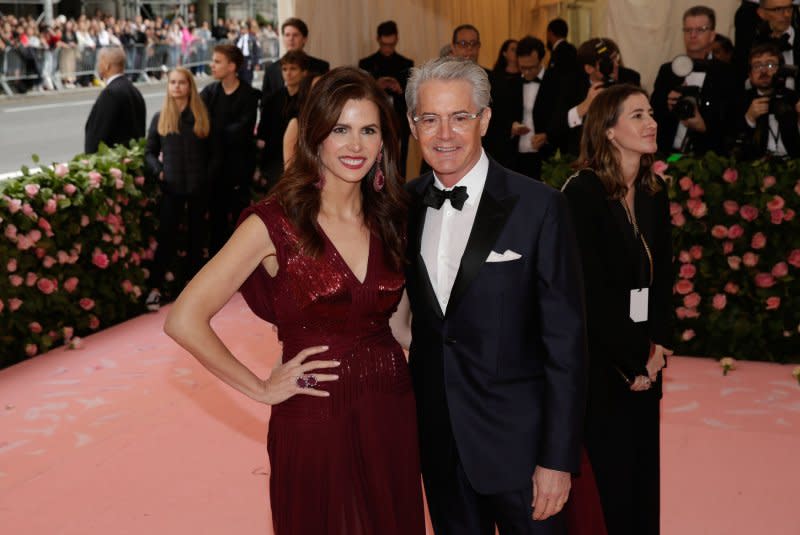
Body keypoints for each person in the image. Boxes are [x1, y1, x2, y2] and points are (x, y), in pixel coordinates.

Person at [165, 66, 424, 534]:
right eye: (340, 129)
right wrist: (259, 388)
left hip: (391, 412)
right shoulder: (274, 224)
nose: (355, 145)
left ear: (384, 141)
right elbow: (184, 318)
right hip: (315, 416)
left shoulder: (392, 219)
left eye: (368, 130)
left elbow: (401, 327)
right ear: (315, 136)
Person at [400, 56, 587, 535]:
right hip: (440, 450)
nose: (445, 134)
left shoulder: (540, 207)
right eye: (430, 119)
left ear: (484, 120)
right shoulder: (402, 208)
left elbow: (566, 345)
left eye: (460, 117)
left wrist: (557, 459)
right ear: (412, 124)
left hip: (522, 452)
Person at [561, 84, 673, 535]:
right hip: (600, 364)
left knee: (643, 479)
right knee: (607, 483)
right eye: (637, 115)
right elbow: (586, 293)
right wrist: (632, 363)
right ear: (608, 131)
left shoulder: (652, 190)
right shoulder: (581, 194)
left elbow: (663, 274)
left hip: (648, 356)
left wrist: (660, 345)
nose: (651, 122)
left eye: (650, 113)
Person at [144, 67, 210, 311]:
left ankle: (193, 291)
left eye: (182, 82)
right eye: (172, 82)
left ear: (189, 86)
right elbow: (149, 152)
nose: (177, 87)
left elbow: (213, 154)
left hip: (197, 188)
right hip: (171, 188)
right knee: (166, 239)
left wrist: (206, 178)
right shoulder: (161, 118)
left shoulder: (201, 117)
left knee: (196, 239)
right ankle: (154, 289)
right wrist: (158, 170)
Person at [651, 5, 739, 155]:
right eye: (688, 30)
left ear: (712, 35)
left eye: (700, 30)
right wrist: (667, 105)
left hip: (709, 157)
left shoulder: (728, 73)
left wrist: (704, 127)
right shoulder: (668, 71)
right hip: (668, 155)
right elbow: (653, 114)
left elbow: (733, 122)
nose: (692, 35)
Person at [200, 43, 259, 255]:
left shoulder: (249, 95)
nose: (212, 65)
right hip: (214, 170)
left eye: (217, 61)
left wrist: (214, 133)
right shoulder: (209, 92)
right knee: (215, 223)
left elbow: (241, 131)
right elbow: (201, 125)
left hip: (238, 171)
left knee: (239, 222)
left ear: (232, 66)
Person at [551, 38, 640, 156]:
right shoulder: (572, 85)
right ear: (589, 68)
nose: (616, 65)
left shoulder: (630, 78)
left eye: (616, 58)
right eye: (607, 62)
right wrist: (583, 107)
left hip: (624, 151)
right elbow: (555, 128)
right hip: (586, 155)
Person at [492, 35, 558, 177]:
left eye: (531, 68)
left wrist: (547, 135)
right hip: (517, 157)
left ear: (541, 60)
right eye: (523, 68)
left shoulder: (555, 82)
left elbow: (561, 117)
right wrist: (512, 126)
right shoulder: (511, 85)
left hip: (546, 157)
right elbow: (502, 115)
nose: (527, 72)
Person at [359, 20, 414, 176]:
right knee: (373, 158)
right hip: (374, 117)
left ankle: (399, 189)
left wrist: (400, 88)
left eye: (391, 45)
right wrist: (375, 86)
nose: (388, 49)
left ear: (397, 39)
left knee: (400, 160)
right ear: (378, 39)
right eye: (385, 45)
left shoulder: (406, 64)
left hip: (399, 119)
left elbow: (411, 97)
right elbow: (361, 95)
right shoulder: (366, 64)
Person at [256, 50, 309, 191]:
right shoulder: (273, 99)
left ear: (304, 72)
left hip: (301, 161)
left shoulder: (310, 100)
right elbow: (263, 133)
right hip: (274, 162)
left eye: (293, 69)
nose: (288, 73)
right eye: (284, 69)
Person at [736, 42, 800, 158]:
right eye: (757, 66)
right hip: (756, 168)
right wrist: (749, 118)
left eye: (770, 65)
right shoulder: (740, 101)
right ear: (750, 75)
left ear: (781, 70)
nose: (764, 71)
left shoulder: (794, 98)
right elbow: (735, 145)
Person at [84, 46, 146, 154]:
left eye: (99, 61)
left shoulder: (110, 93)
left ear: (106, 65)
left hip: (114, 162)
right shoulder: (135, 91)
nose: (98, 65)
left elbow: (97, 134)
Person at [261, 17, 329, 100]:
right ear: (283, 39)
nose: (291, 39)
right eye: (287, 35)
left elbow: (326, 100)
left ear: (304, 39)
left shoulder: (321, 67)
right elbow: (265, 104)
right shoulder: (271, 70)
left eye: (295, 35)